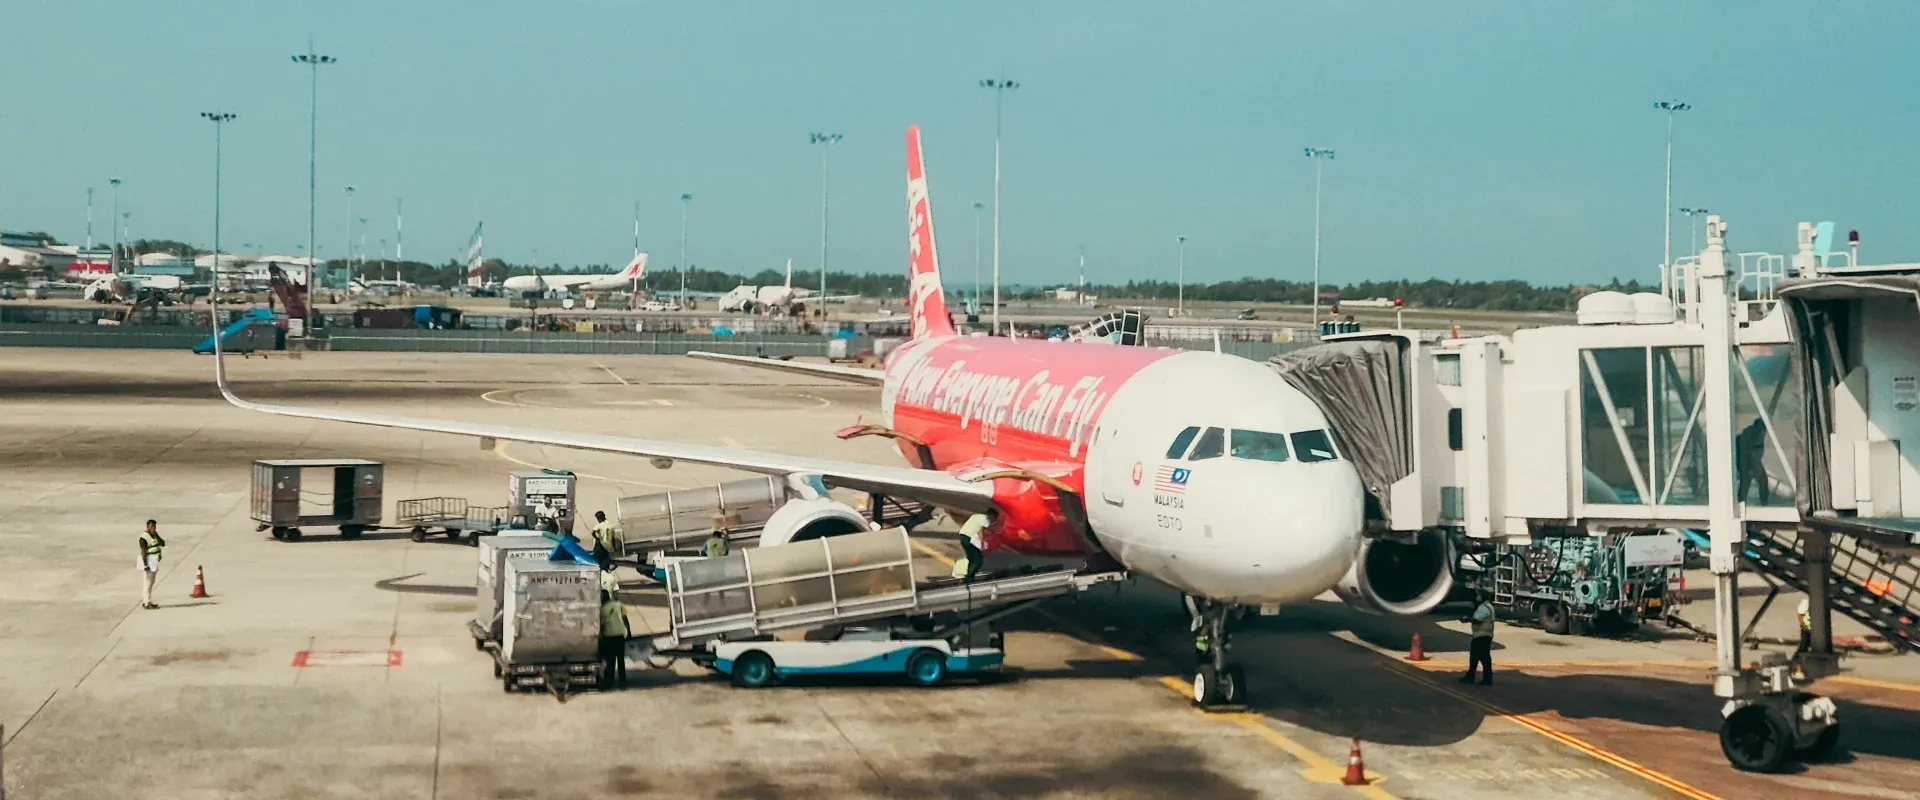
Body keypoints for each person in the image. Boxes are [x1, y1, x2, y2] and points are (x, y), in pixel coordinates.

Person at [598, 561, 629, 690]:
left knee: (610, 662)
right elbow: (625, 618)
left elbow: (600, 625)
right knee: (621, 661)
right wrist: (628, 633)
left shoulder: (603, 610)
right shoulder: (618, 605)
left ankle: (610, 682)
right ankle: (623, 682)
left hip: (610, 637)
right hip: (621, 636)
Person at [1460, 591, 1495, 686]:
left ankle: (1485, 679)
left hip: (1481, 636)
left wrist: (1467, 619)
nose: (1477, 597)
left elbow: (1477, 620)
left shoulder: (1484, 608)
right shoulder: (1488, 606)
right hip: (1483, 636)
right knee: (1476, 657)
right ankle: (1471, 676)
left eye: (1479, 595)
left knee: (1482, 658)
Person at [955, 510, 995, 584]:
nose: (993, 521)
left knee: (971, 558)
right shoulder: (985, 520)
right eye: (994, 518)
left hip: (962, 536)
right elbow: (980, 531)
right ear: (991, 516)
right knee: (978, 560)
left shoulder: (976, 515)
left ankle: (969, 578)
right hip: (969, 538)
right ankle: (967, 578)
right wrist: (982, 543)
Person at [137, 519, 166, 609]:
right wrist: (145, 564)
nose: (153, 528)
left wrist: (156, 535)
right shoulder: (143, 538)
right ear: (147, 527)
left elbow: (162, 543)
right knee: (147, 582)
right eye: (151, 527)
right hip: (148, 561)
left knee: (151, 582)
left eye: (154, 527)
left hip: (154, 561)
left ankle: (147, 600)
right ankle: (147, 603)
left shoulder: (154, 535)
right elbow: (143, 552)